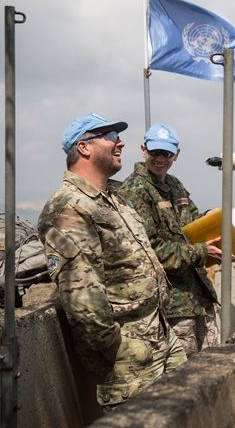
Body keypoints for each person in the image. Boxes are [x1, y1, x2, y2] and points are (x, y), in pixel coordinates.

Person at [37, 113, 186, 408]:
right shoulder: (69, 208)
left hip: (161, 336)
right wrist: (118, 348)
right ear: (84, 148)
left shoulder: (112, 197)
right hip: (130, 355)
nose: (120, 143)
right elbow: (83, 298)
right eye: (110, 137)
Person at [117, 123, 221, 357]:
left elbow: (193, 224)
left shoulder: (174, 185)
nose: (160, 159)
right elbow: (151, 251)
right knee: (186, 380)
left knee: (214, 368)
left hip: (199, 297)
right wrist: (202, 253)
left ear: (177, 154)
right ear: (144, 150)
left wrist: (213, 221)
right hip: (172, 306)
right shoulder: (135, 190)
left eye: (167, 153)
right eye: (155, 152)